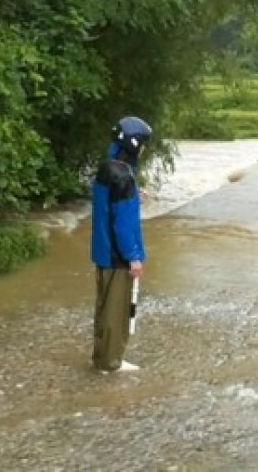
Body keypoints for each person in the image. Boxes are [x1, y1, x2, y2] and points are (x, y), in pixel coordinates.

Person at [91, 115, 151, 373]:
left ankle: (100, 356)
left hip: (103, 252)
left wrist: (135, 195)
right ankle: (111, 362)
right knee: (117, 311)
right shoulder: (124, 177)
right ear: (134, 144)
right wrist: (134, 257)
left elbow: (107, 206)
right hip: (118, 256)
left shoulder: (107, 168)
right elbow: (123, 225)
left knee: (103, 308)